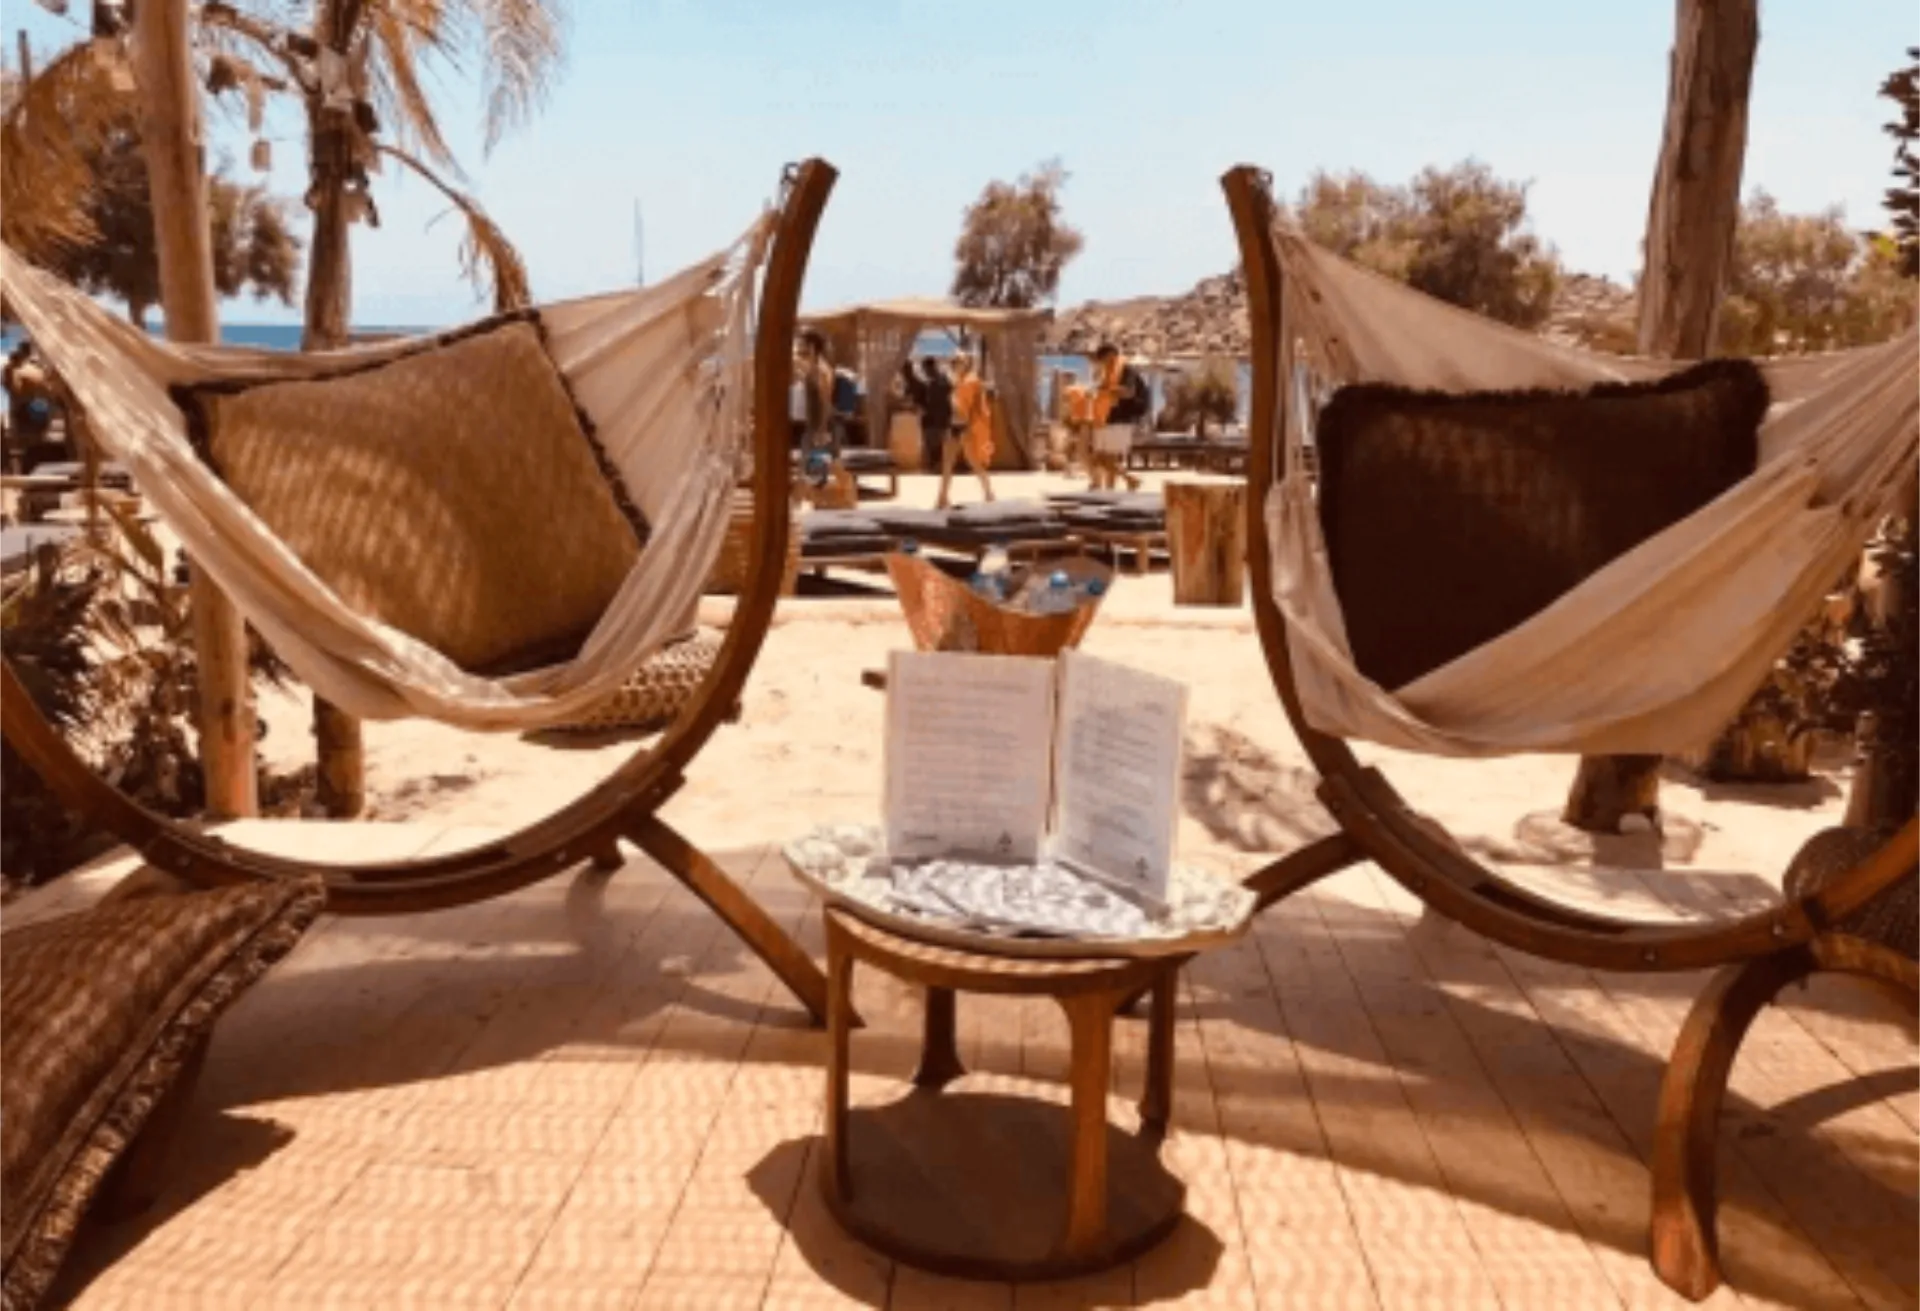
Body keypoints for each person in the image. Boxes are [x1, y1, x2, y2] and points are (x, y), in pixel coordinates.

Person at [936, 354, 995, 509]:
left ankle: (988, 492)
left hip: (966, 426)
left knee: (973, 461)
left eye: (960, 362)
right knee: (947, 462)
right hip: (954, 425)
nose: (956, 365)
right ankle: (942, 497)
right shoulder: (957, 381)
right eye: (955, 362)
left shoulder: (971, 382)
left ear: (966, 364)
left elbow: (973, 407)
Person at [1089, 343, 1146, 491]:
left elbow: (1129, 392)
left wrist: (1107, 390)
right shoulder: (1107, 373)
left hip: (1121, 417)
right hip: (1108, 417)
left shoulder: (1126, 370)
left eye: (1103, 358)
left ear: (1111, 355)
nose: (1102, 362)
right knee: (1102, 456)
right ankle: (1116, 486)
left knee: (1102, 457)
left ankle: (1128, 480)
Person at [917, 356, 953, 475]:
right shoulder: (942, 379)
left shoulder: (935, 381)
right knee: (934, 442)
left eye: (925, 369)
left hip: (936, 417)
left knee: (934, 442)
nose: (925, 372)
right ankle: (935, 465)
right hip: (938, 417)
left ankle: (935, 465)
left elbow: (933, 400)